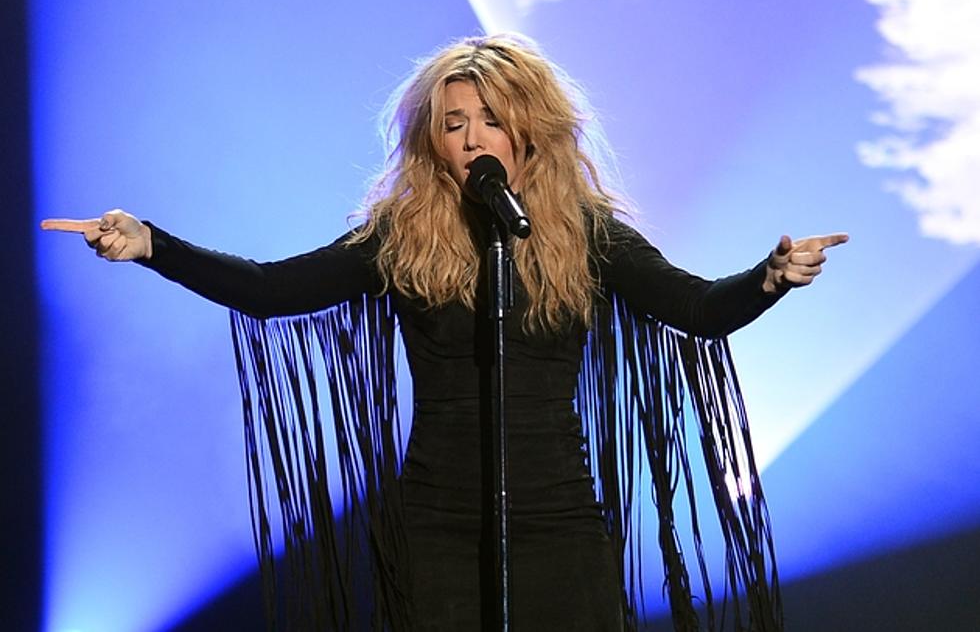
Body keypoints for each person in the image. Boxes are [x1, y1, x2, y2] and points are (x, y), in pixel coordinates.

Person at [42, 33, 846, 631]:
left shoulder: (585, 233)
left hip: (559, 525)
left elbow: (697, 309)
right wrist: (153, 243)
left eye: (490, 120)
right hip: (439, 528)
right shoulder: (401, 233)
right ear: (432, 138)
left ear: (528, 131)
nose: (470, 138)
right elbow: (270, 290)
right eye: (454, 122)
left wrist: (768, 278)